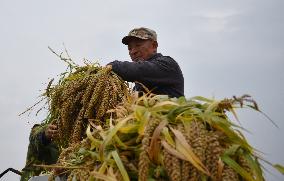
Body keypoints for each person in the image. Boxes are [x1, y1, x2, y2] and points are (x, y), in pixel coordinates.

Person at [108, 27, 184, 98]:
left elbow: (139, 70)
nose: (133, 51)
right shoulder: (138, 86)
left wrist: (112, 66)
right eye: (130, 48)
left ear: (154, 46)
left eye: (138, 45)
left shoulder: (167, 65)